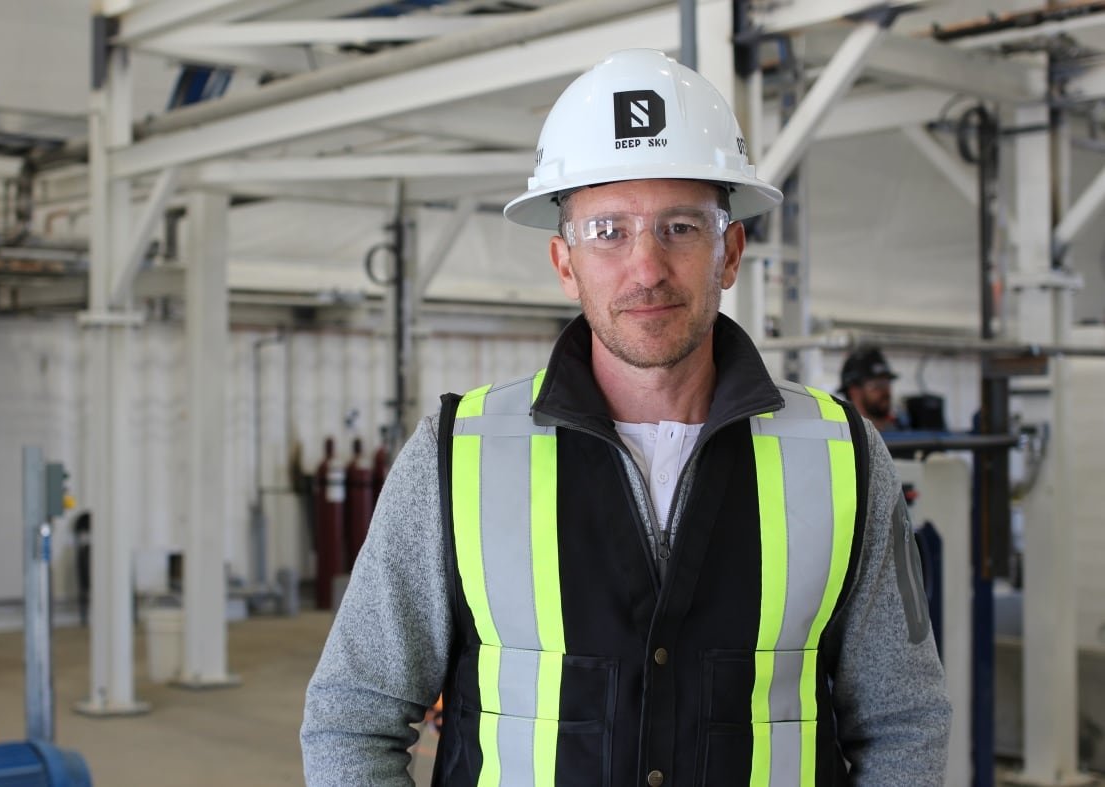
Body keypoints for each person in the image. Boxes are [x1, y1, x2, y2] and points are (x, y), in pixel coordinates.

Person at [301, 48, 950, 786]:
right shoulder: (456, 457)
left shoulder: (842, 457)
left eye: (680, 227)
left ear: (729, 252)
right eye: (608, 231)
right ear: (565, 262)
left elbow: (904, 722)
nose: (646, 268)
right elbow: (352, 717)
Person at [839, 346, 906, 432]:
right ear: (854, 391)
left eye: (886, 383)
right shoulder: (843, 434)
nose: (884, 390)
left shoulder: (903, 430)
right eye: (876, 385)